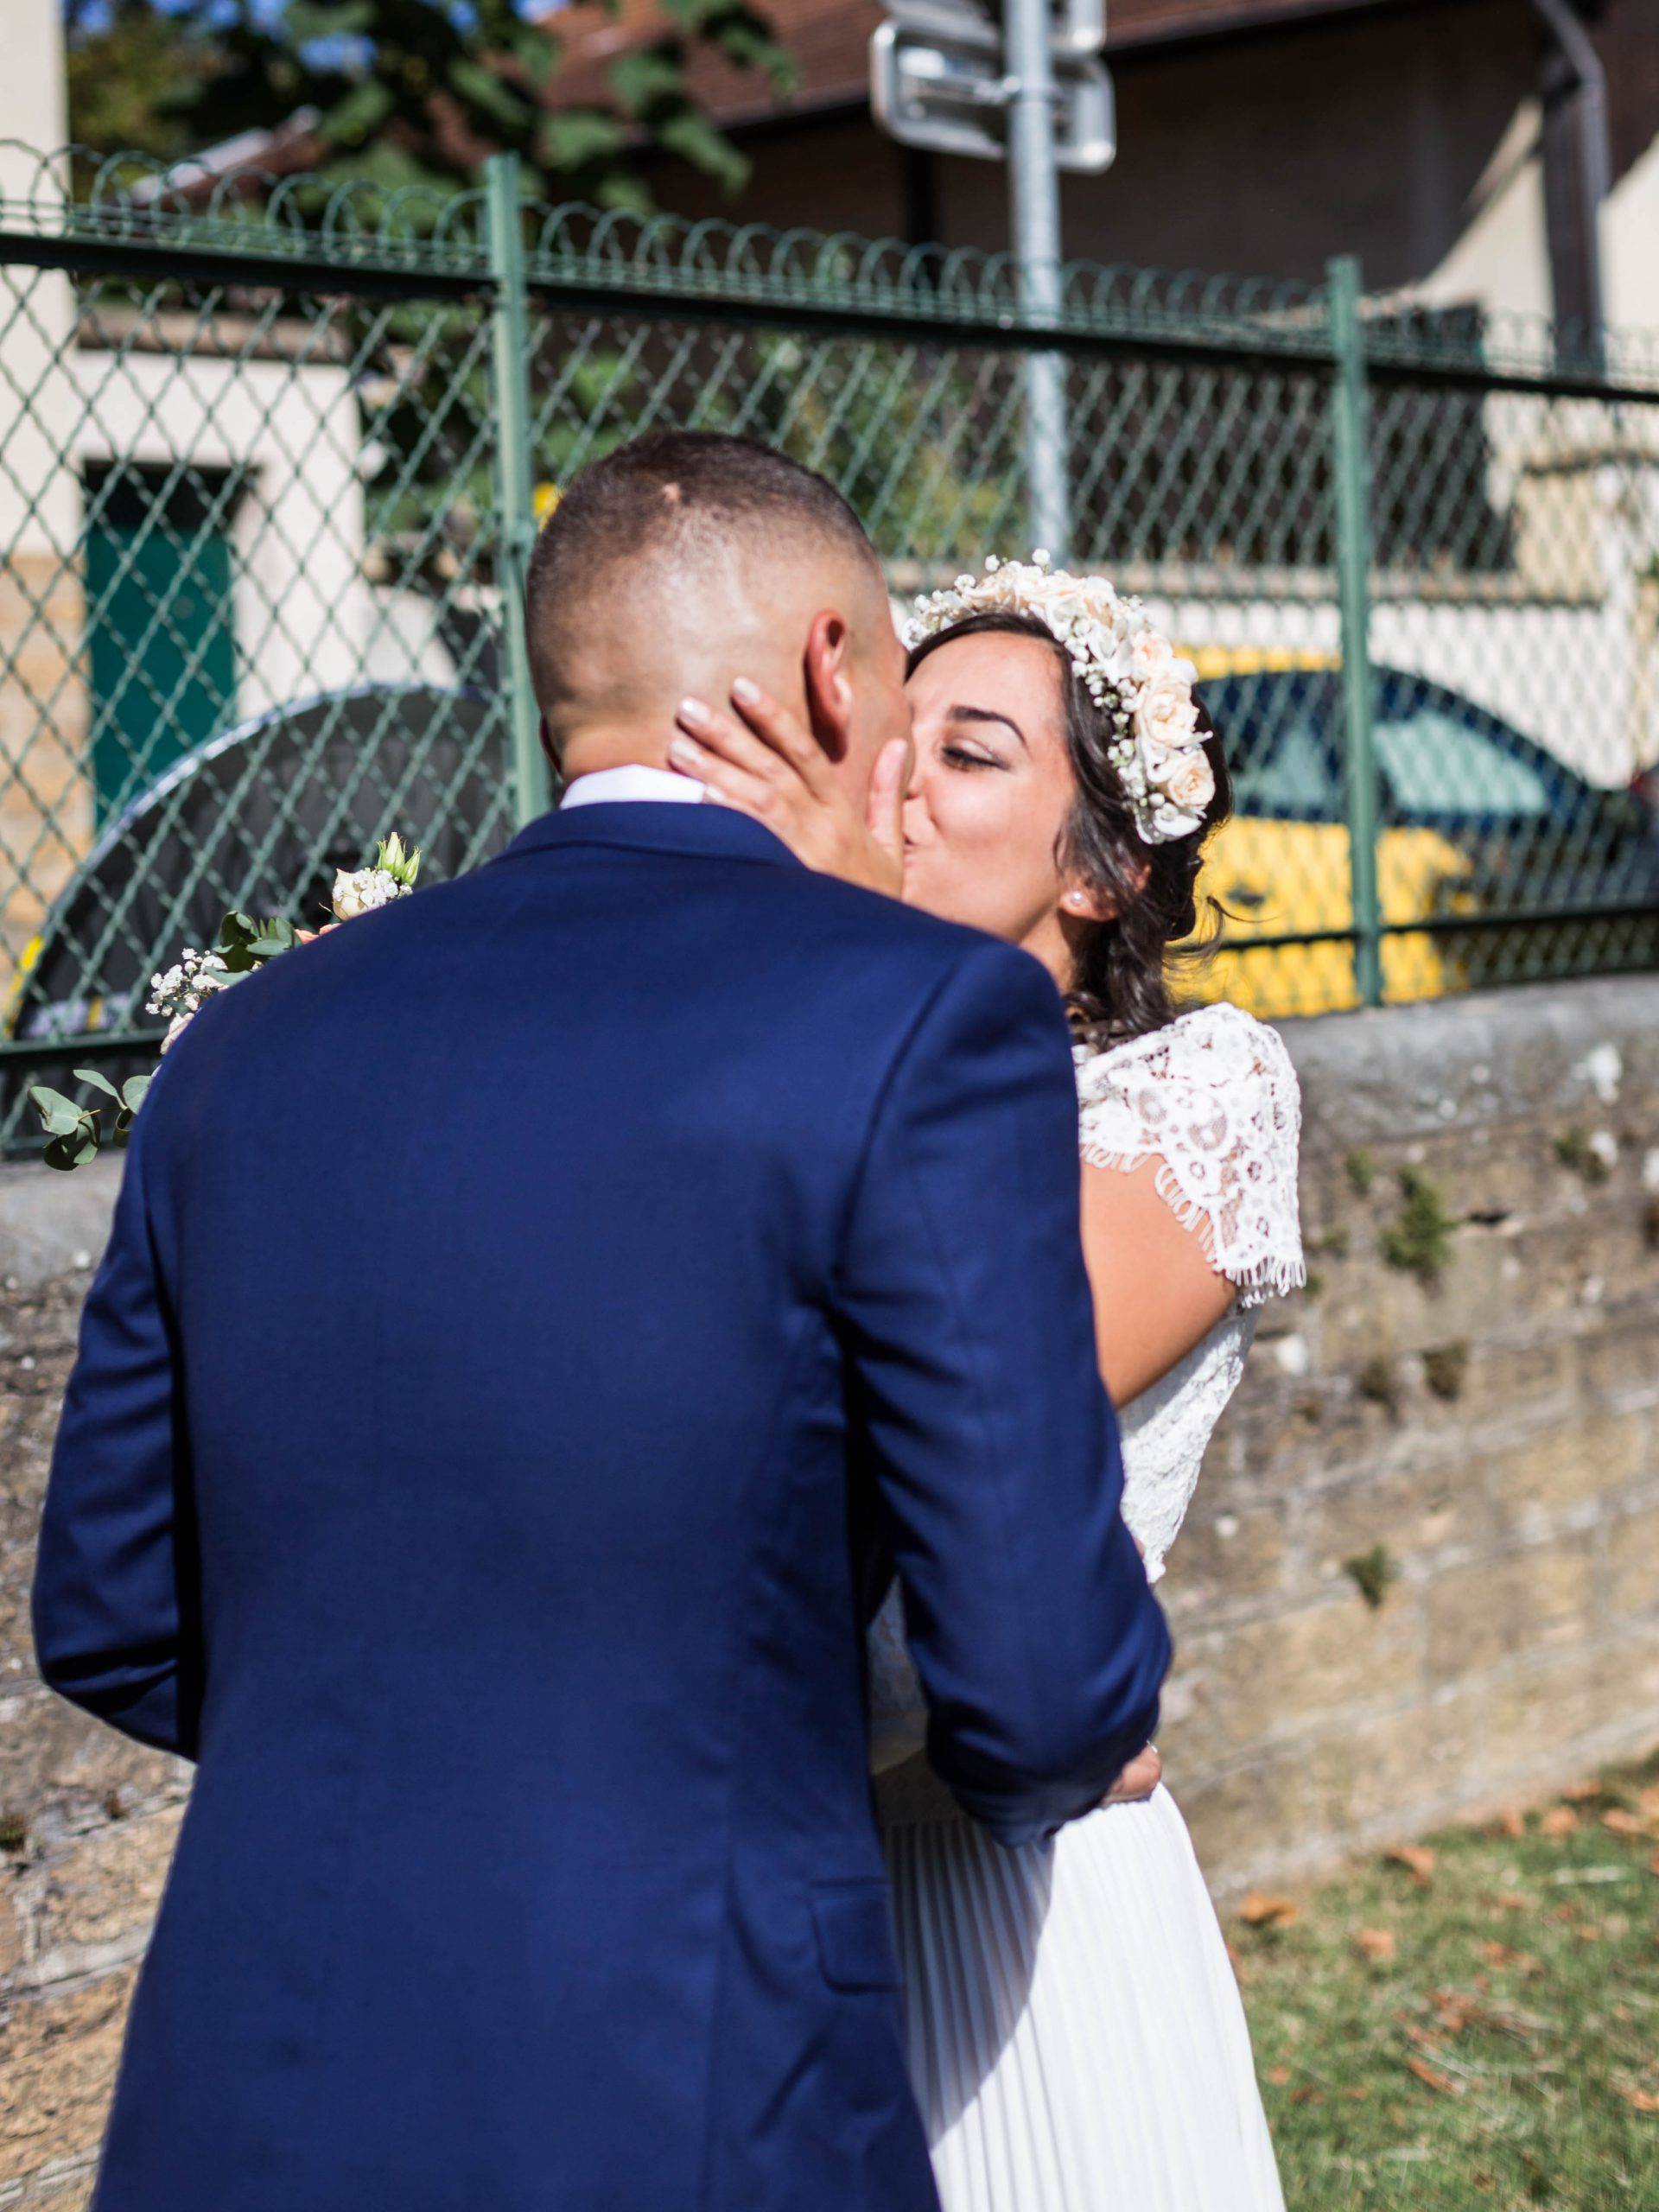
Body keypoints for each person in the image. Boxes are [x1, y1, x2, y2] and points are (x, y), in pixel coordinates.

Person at [31, 439, 1169, 2212]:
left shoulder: (241, 1047)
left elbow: (111, 1610)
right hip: (692, 2079)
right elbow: (1037, 1692)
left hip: (247, 2085)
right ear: (831, 674)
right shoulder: (916, 1019)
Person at [666, 554, 1305, 2212]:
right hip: (766, 1888)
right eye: (899, 737)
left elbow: (971, 1370)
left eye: (970, 753)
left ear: (1100, 870)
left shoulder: (1204, 1090)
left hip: (1022, 1902)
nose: (897, 784)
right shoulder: (782, 1070)